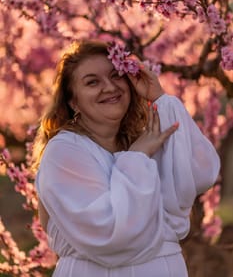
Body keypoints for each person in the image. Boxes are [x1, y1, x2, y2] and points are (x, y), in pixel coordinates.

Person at [34, 40, 220, 277]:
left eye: (116, 75)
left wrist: (160, 98)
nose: (109, 87)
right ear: (73, 101)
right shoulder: (64, 151)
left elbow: (200, 172)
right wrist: (137, 158)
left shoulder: (143, 139)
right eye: (92, 82)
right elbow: (111, 232)